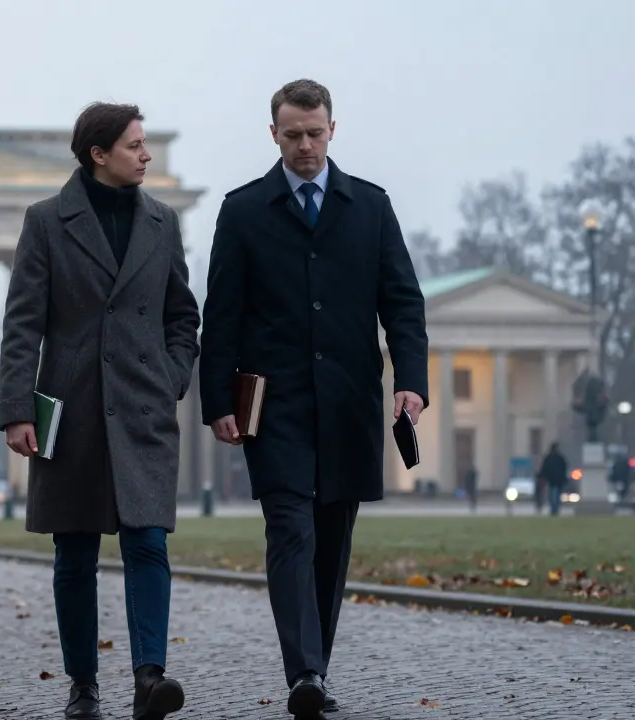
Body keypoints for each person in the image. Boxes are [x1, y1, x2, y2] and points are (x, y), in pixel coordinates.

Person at [199, 79, 428, 719]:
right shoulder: (243, 211)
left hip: (350, 400)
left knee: (332, 540)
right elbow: (222, 314)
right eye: (293, 134)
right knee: (291, 530)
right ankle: (304, 674)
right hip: (274, 406)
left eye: (315, 133)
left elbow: (403, 305)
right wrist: (218, 398)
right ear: (273, 134)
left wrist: (411, 378)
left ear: (333, 129)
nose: (305, 145)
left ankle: (314, 670)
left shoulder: (371, 207)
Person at [0, 101, 199, 720]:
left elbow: (182, 315)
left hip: (142, 408)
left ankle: (149, 678)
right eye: (136, 145)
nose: (146, 155)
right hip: (73, 407)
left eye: (145, 144)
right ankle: (83, 685)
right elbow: (23, 323)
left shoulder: (163, 222)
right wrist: (17, 409)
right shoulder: (47, 222)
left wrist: (169, 378)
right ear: (99, 154)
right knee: (75, 552)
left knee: (148, 544)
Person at [538, 443, 568, 515]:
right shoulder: (559, 458)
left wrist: (542, 477)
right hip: (555, 481)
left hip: (552, 481)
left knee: (553, 496)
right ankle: (554, 509)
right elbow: (564, 469)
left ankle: (554, 509)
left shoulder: (549, 458)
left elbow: (544, 469)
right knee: (555, 496)